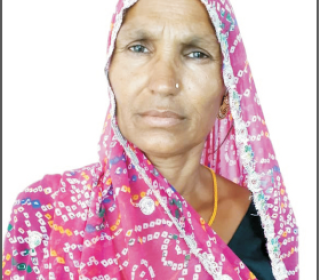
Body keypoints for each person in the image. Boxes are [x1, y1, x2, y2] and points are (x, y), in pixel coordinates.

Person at [2, 0, 299, 279]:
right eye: (139, 48)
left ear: (227, 89)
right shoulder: (47, 212)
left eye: (196, 53)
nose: (164, 83)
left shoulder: (267, 225)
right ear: (110, 70)